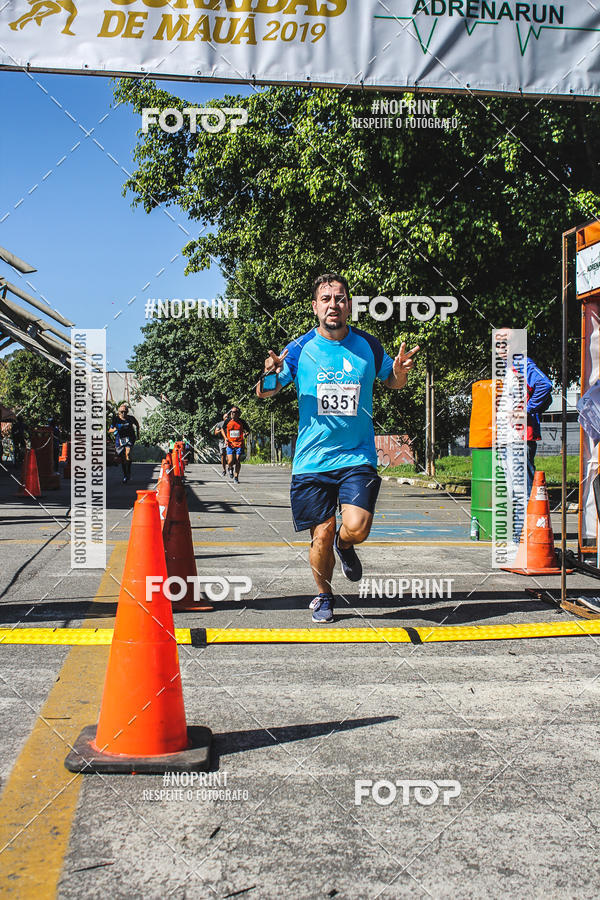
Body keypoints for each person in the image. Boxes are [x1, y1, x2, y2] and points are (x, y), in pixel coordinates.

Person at [256, 272, 419, 623]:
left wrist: (401, 371)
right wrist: (269, 372)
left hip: (357, 456)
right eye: (326, 299)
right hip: (312, 461)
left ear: (350, 305)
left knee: (356, 527)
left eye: (340, 298)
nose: (334, 305)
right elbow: (266, 392)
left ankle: (345, 546)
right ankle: (324, 596)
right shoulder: (299, 350)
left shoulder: (368, 345)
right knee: (321, 534)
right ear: (315, 307)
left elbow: (392, 381)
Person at [495, 328, 552, 518]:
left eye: (506, 343)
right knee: (512, 489)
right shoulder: (506, 368)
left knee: (522, 489)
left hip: (520, 437)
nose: (502, 347)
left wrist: (526, 410)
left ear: (516, 344)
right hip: (507, 438)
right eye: (498, 343)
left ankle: (528, 528)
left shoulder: (522, 364)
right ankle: (520, 528)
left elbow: (545, 385)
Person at [109, 403, 140, 483]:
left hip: (129, 438)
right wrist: (115, 429)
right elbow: (110, 430)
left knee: (127, 454)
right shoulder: (116, 419)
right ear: (119, 412)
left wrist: (138, 434)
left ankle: (128, 472)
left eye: (125, 412)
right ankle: (125, 475)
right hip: (119, 440)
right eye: (122, 412)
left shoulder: (131, 418)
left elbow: (137, 425)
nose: (123, 413)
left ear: (127, 412)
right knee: (123, 458)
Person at [221, 407, 250, 484]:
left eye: (234, 412)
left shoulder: (242, 422)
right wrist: (225, 438)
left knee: (237, 460)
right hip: (230, 444)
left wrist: (245, 434)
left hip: (239, 444)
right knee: (230, 461)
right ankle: (230, 468)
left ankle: (236, 477)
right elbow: (222, 429)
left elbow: (248, 430)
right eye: (232, 412)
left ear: (238, 414)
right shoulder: (227, 421)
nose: (232, 413)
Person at [212, 409, 231, 476]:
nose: (227, 418)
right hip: (221, 441)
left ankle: (229, 468)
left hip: (229, 441)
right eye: (225, 417)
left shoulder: (230, 423)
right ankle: (224, 470)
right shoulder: (220, 424)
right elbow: (215, 432)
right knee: (223, 455)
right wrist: (221, 430)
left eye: (228, 417)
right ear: (223, 418)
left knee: (229, 455)